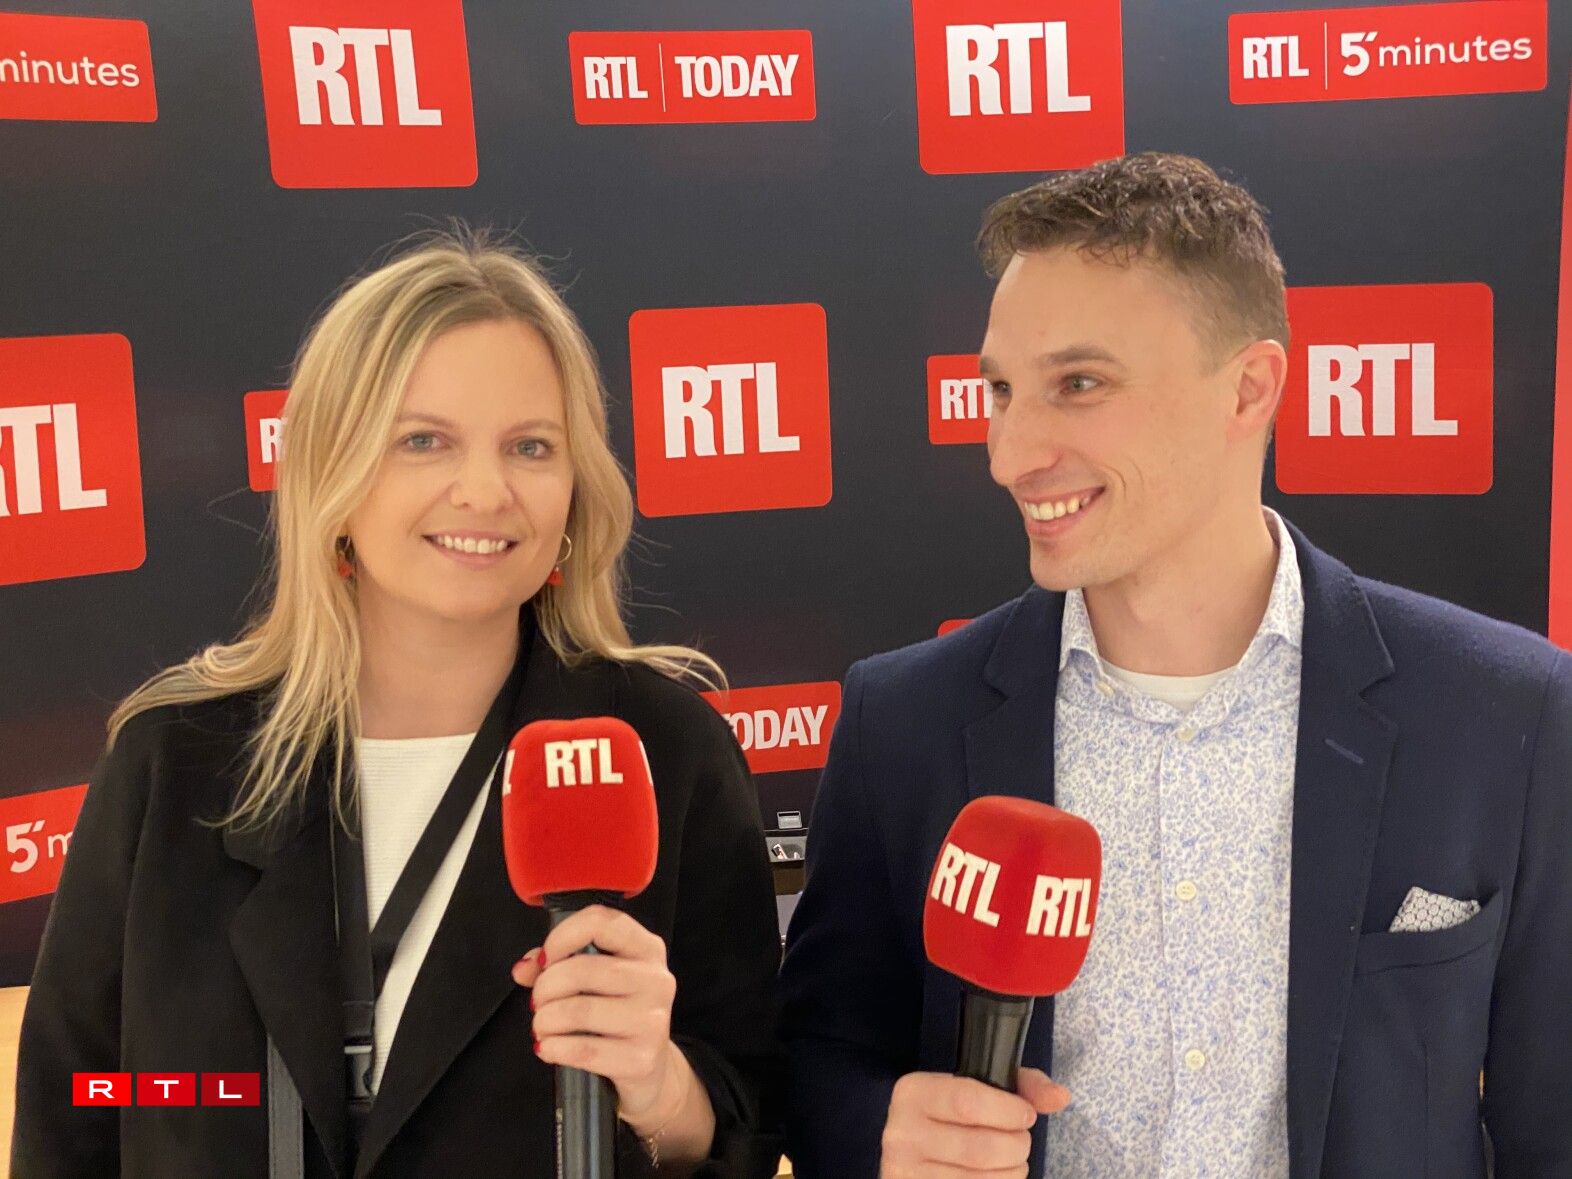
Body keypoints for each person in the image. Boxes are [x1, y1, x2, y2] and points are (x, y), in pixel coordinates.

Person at [779, 153, 1572, 1178]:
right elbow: (814, 1063)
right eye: (1002, 390)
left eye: (1078, 384)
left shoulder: (1503, 713)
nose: (1011, 453)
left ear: (1248, 387)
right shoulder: (902, 723)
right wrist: (879, 1130)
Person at [13, 227, 783, 1178]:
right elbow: (76, 1115)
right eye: (424, 440)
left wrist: (660, 1089)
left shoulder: (669, 751)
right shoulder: (171, 762)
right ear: (333, 477)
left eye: (531, 446)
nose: (485, 490)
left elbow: (745, 1121)